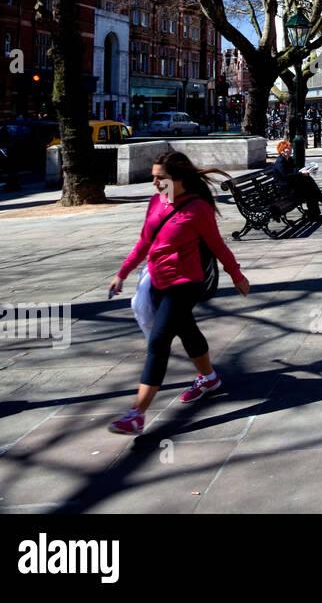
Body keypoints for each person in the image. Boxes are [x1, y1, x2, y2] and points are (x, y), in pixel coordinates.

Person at [105, 152, 251, 435]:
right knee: (187, 330)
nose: (155, 183)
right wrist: (122, 272)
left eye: (161, 178)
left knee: (159, 342)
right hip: (158, 280)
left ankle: (137, 413)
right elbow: (144, 242)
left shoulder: (198, 209)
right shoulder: (155, 203)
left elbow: (218, 245)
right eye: (154, 177)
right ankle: (209, 378)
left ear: (179, 179)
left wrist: (237, 275)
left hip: (186, 283)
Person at [265, 139, 322, 218]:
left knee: (309, 183)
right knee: (310, 192)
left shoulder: (289, 159)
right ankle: (317, 206)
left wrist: (304, 171)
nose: (290, 150)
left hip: (292, 185)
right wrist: (300, 174)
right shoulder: (280, 161)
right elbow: (285, 175)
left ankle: (315, 213)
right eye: (288, 149)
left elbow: (294, 170)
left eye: (290, 148)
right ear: (282, 151)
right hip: (285, 188)